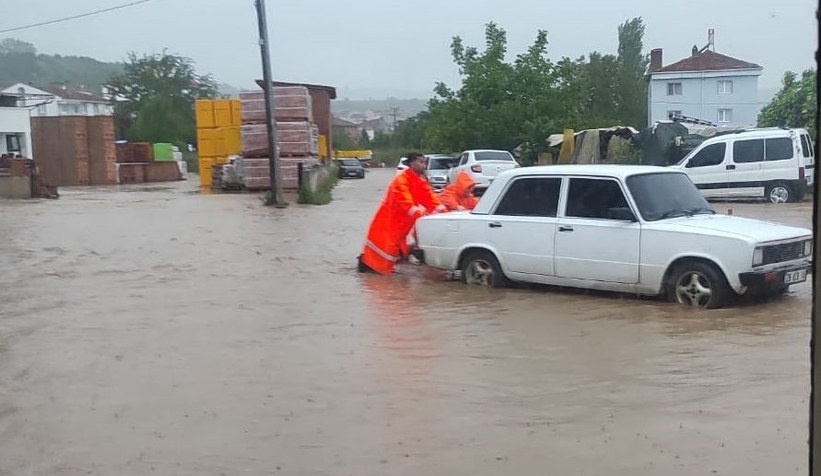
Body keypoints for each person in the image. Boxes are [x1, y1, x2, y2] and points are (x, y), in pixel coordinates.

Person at [358, 152, 446, 274]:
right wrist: (422, 214)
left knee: (395, 252)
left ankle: (384, 272)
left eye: (424, 162)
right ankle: (375, 270)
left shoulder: (418, 181)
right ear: (412, 164)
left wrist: (444, 212)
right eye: (421, 162)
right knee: (384, 249)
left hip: (402, 225)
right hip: (389, 221)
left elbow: (430, 198)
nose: (424, 166)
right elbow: (406, 202)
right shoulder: (401, 180)